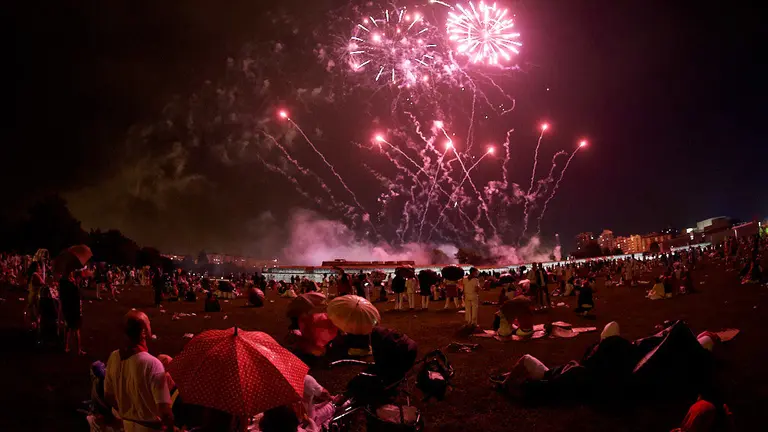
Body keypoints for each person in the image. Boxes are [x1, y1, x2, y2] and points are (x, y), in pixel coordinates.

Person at [104, 311, 173, 432]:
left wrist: (127, 413)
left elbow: (108, 395)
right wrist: (170, 428)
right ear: (144, 332)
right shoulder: (152, 364)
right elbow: (164, 411)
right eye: (148, 324)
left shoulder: (114, 357)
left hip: (127, 426)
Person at [60, 269, 85, 355]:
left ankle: (66, 347)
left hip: (67, 308)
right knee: (77, 329)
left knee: (67, 328)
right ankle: (78, 350)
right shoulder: (72, 285)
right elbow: (77, 298)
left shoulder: (63, 283)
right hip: (74, 309)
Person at [26, 261, 44, 328]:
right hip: (35, 297)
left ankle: (34, 327)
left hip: (31, 296)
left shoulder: (32, 275)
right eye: (38, 266)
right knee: (36, 315)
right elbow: (43, 284)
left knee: (33, 315)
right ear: (36, 267)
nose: (39, 268)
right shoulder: (35, 275)